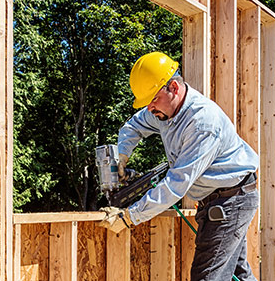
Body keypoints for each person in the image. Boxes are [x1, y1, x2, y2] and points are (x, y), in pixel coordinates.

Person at [105, 51, 260, 281]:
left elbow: (176, 184)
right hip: (220, 199)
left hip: (231, 200)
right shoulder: (162, 111)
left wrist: (131, 216)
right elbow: (133, 127)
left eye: (153, 99)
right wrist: (122, 157)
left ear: (174, 88)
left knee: (207, 277)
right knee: (237, 273)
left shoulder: (202, 123)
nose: (149, 108)